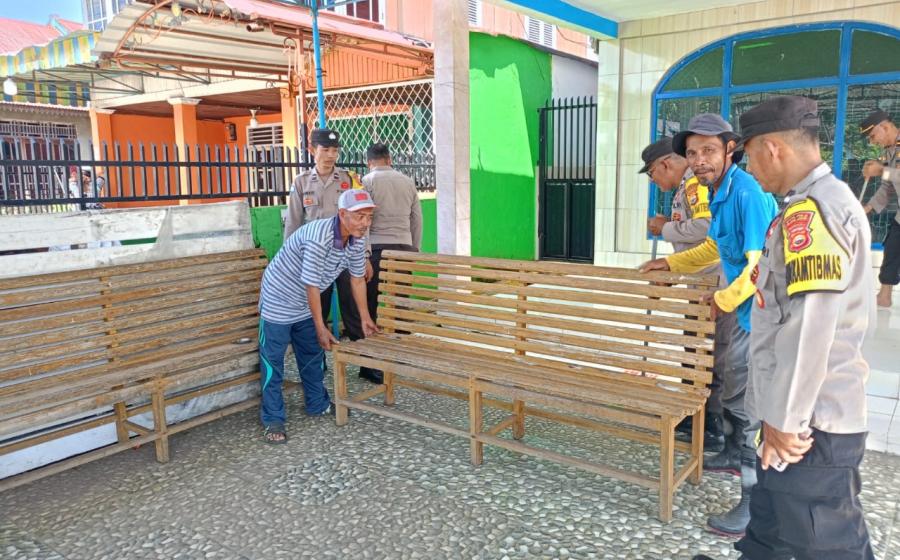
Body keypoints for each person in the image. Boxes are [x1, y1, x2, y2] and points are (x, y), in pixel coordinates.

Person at [693, 96, 876, 560]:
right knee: (770, 531)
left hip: (810, 427)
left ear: (771, 148)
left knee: (824, 542)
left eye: (748, 155)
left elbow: (809, 325)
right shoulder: (805, 204)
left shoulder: (813, 213)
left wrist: (784, 421)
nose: (749, 168)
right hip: (790, 415)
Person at [640, 113, 777, 537]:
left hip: (765, 316)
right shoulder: (720, 191)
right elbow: (716, 246)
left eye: (709, 151)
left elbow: (757, 264)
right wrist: (671, 261)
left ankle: (757, 505)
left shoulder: (748, 193)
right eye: (693, 152)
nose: (700, 160)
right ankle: (736, 454)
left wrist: (722, 299)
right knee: (736, 390)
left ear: (729, 149)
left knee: (753, 403)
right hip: (745, 311)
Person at [258, 189, 379, 444]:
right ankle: (273, 419)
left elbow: (357, 279)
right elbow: (312, 285)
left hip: (304, 301)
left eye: (369, 217)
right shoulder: (319, 237)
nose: (365, 223)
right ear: (343, 214)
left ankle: (317, 403)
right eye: (360, 217)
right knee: (273, 363)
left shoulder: (356, 239)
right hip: (278, 300)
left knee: (312, 355)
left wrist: (365, 317)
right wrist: (321, 326)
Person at [640, 137, 724, 452]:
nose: (654, 181)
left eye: (651, 174)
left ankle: (710, 426)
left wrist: (665, 229)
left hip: (710, 283)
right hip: (697, 279)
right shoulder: (685, 187)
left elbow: (706, 228)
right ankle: (694, 418)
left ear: (664, 164)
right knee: (695, 352)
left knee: (706, 353)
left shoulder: (694, 186)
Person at [283, 128, 373, 368]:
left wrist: (365, 255)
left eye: (335, 150)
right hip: (315, 259)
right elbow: (292, 224)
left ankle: (367, 364)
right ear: (312, 150)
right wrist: (291, 263)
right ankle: (317, 364)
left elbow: (362, 218)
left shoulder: (350, 179)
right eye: (325, 150)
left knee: (353, 311)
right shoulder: (301, 183)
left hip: (345, 255)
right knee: (315, 314)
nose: (331, 155)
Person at [346, 143, 424, 384]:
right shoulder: (408, 181)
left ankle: (375, 361)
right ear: (389, 159)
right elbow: (416, 218)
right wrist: (414, 248)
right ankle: (398, 356)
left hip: (377, 251)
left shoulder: (366, 182)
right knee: (399, 303)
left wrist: (365, 253)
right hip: (404, 248)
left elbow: (364, 221)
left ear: (369, 162)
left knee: (373, 306)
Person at [859, 109, 899, 308]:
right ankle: (884, 296)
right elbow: (887, 187)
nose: (873, 141)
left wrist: (881, 170)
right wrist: (865, 209)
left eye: (873, 136)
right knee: (891, 250)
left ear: (884, 127)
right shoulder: (890, 152)